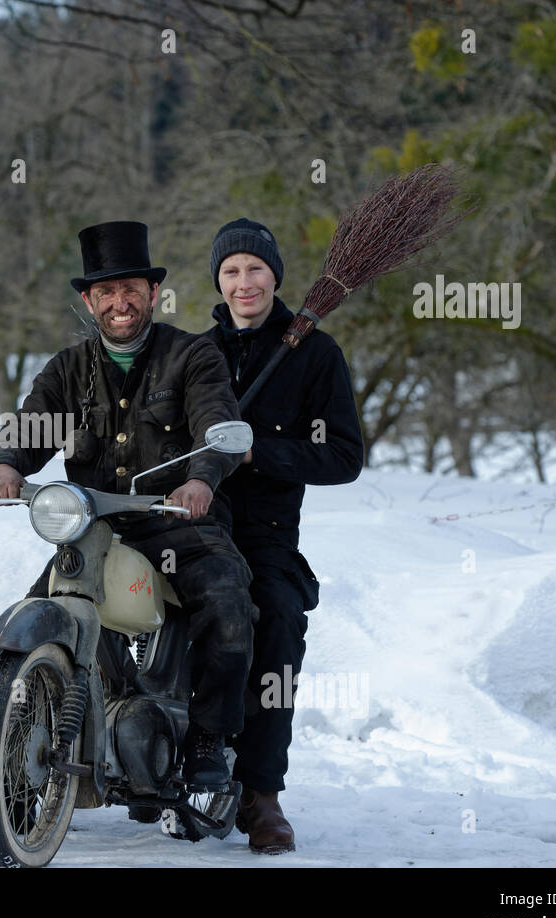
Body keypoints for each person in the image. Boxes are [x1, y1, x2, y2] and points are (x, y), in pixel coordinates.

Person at [0, 221, 256, 788]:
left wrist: (201, 479)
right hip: (94, 530)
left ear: (153, 293)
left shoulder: (192, 357)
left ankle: (207, 739)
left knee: (229, 606)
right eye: (107, 292)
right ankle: (9, 782)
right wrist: (5, 463)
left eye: (131, 288)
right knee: (13, 638)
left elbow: (217, 426)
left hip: (178, 523)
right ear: (89, 300)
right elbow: (31, 427)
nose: (120, 302)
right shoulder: (67, 369)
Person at [202, 218, 364, 852]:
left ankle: (260, 792)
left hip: (264, 536)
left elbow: (344, 457)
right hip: (191, 523)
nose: (244, 283)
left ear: (276, 276)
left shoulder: (315, 354)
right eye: (231, 271)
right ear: (217, 281)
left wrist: (258, 454)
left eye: (256, 269)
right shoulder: (196, 350)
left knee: (277, 619)